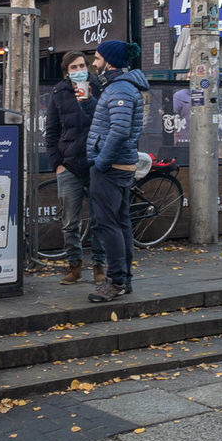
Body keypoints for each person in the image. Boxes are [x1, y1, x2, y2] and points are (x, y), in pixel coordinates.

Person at [86, 38, 148, 302]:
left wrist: (100, 162)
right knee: (121, 224)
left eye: (98, 59)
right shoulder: (120, 87)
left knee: (108, 225)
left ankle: (116, 282)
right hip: (119, 165)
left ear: (109, 62)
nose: (94, 63)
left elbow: (120, 130)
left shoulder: (120, 89)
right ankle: (125, 279)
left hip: (111, 167)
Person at [43, 51, 105, 284]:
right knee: (70, 221)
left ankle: (99, 265)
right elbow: (52, 131)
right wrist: (57, 163)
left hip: (96, 162)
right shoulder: (59, 93)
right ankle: (74, 265)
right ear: (66, 72)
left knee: (100, 219)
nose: (79, 70)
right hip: (69, 164)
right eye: (74, 67)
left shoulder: (99, 86)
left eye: (82, 66)